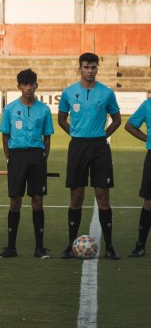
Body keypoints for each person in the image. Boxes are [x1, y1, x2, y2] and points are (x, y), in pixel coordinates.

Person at [57, 52, 121, 259]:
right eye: (86, 67)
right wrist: (75, 134)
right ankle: (70, 245)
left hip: (99, 147)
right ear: (80, 68)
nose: (90, 71)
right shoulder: (69, 92)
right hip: (78, 147)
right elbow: (61, 119)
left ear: (97, 68)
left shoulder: (106, 92)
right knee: (76, 196)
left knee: (102, 196)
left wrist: (103, 136)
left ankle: (109, 247)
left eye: (93, 67)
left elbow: (117, 119)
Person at [0, 69, 54, 259]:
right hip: (17, 156)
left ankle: (40, 248)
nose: (28, 87)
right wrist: (9, 159)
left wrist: (43, 159)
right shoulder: (10, 109)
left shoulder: (44, 110)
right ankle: (11, 247)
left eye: (31, 84)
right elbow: (5, 137)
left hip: (37, 156)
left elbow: (47, 138)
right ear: (19, 86)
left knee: (37, 200)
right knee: (15, 201)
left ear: (36, 85)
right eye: (25, 84)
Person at [125, 96, 151, 258]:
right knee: (149, 201)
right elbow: (129, 125)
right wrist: (148, 138)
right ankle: (140, 245)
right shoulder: (147, 105)